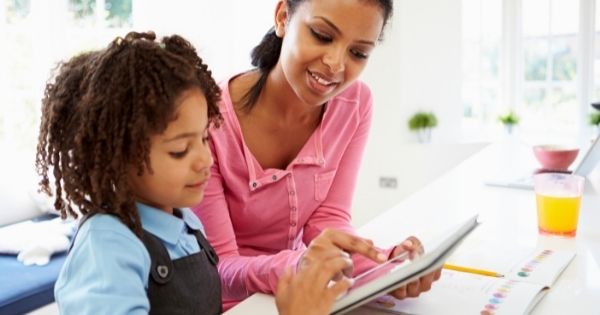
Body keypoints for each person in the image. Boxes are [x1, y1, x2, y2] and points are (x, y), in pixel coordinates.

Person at [36, 31, 388, 315]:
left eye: (204, 137)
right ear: (115, 155)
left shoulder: (187, 224)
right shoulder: (107, 246)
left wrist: (377, 266)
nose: (205, 159)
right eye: (179, 150)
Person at [193, 0, 441, 310]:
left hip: (303, 297)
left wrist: (386, 265)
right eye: (322, 35)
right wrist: (300, 266)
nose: (336, 64)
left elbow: (328, 220)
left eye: (358, 53)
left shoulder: (355, 103)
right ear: (283, 17)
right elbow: (219, 269)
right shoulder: (204, 117)